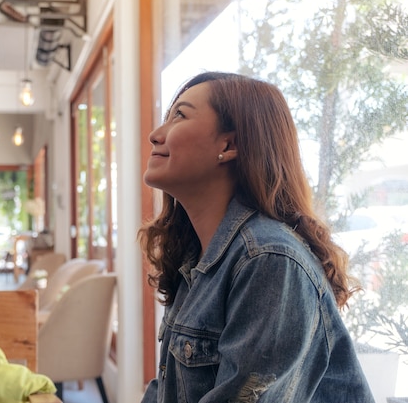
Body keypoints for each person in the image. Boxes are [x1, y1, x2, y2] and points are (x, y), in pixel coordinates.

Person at [138, 71, 375, 402]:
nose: (154, 135)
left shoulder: (268, 259)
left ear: (229, 144)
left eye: (179, 115)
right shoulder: (197, 258)